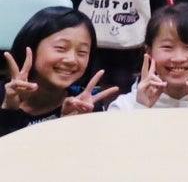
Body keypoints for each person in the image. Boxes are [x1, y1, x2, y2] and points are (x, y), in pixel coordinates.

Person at [1, 8, 120, 137]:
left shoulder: (84, 105)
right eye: (61, 48)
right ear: (32, 46)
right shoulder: (6, 95)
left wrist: (69, 127)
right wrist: (9, 109)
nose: (71, 60)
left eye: (82, 52)